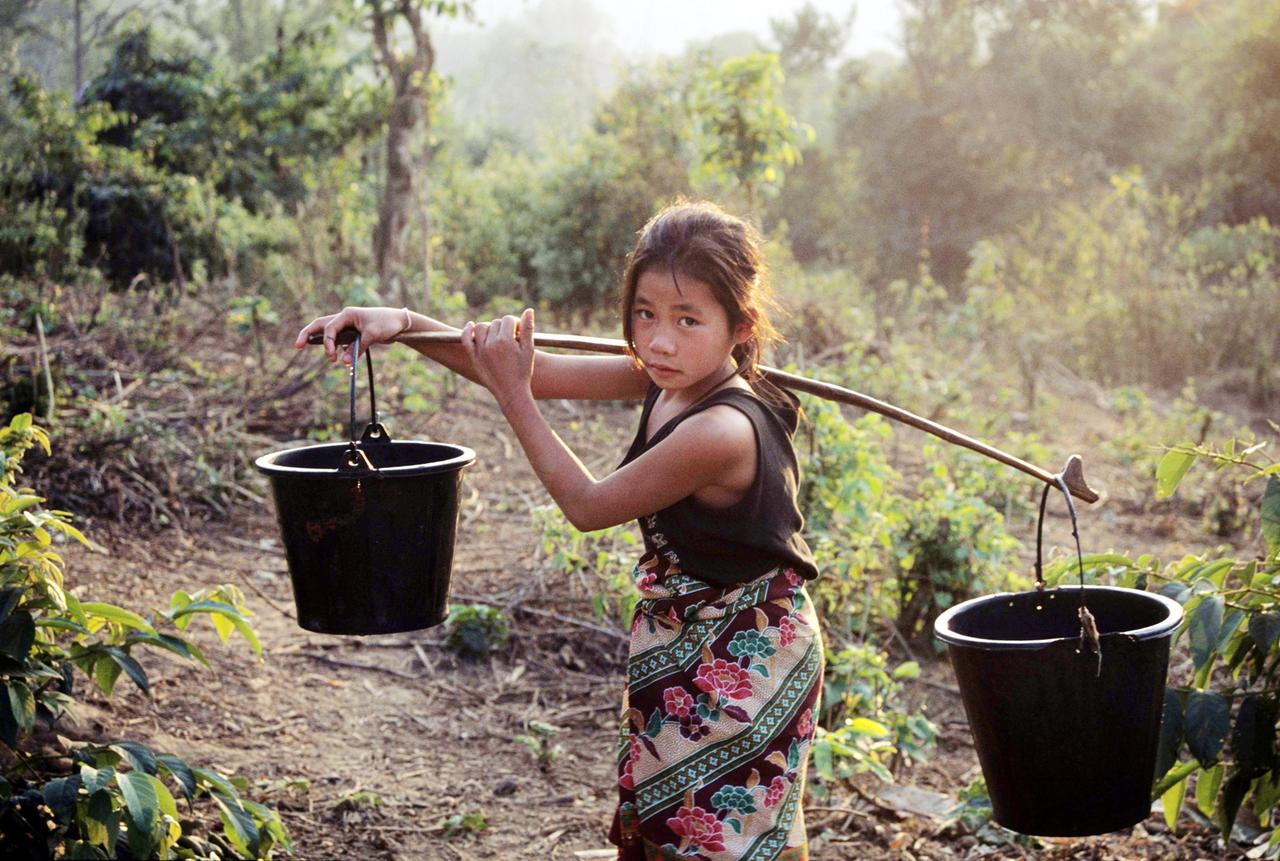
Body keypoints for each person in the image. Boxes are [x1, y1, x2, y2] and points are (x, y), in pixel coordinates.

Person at [295, 200, 823, 861]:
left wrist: (512, 393)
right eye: (645, 313)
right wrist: (401, 325)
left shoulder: (721, 429)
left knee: (722, 838)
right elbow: (531, 371)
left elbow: (588, 504)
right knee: (674, 821)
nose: (659, 339)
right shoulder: (671, 376)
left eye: (689, 320)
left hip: (746, 650)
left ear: (740, 326)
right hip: (691, 632)